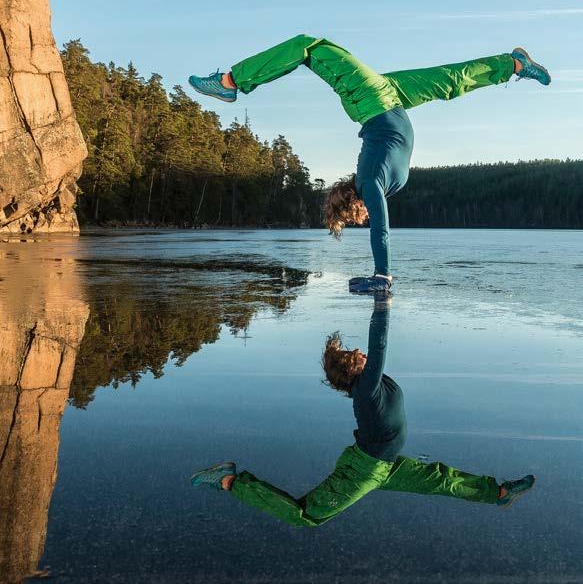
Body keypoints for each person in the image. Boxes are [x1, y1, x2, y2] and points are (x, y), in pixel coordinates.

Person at [189, 36, 551, 293]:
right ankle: (512, 64)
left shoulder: (372, 185)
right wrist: (382, 274)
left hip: (374, 101)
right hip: (387, 101)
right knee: (449, 80)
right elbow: (379, 224)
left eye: (352, 215)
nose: (362, 216)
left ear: (352, 201)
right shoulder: (376, 184)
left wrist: (383, 274)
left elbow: (382, 230)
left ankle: (229, 82)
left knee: (309, 47)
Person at [190, 298, 536, 525]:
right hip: (364, 470)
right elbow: (379, 341)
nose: (360, 350)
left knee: (442, 480)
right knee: (306, 516)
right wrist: (382, 303)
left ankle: (500, 494)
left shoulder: (369, 382)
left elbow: (376, 352)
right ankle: (228, 480)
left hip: (384, 464)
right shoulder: (366, 389)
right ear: (355, 367)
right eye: (355, 353)